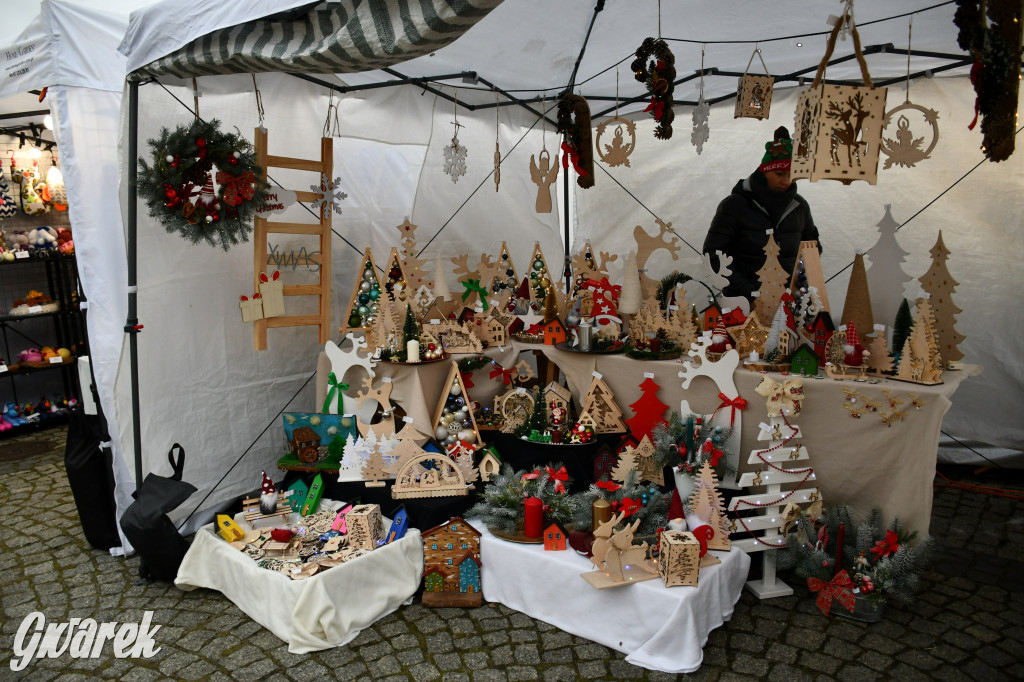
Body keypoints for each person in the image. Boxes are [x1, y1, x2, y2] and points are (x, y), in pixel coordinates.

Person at [703, 126, 821, 302]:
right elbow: (714, 254)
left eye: (791, 174)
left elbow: (812, 248)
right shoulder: (734, 206)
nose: (786, 181)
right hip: (744, 303)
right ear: (765, 171)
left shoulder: (800, 207)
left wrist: (797, 287)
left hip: (790, 304)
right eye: (779, 173)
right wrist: (751, 294)